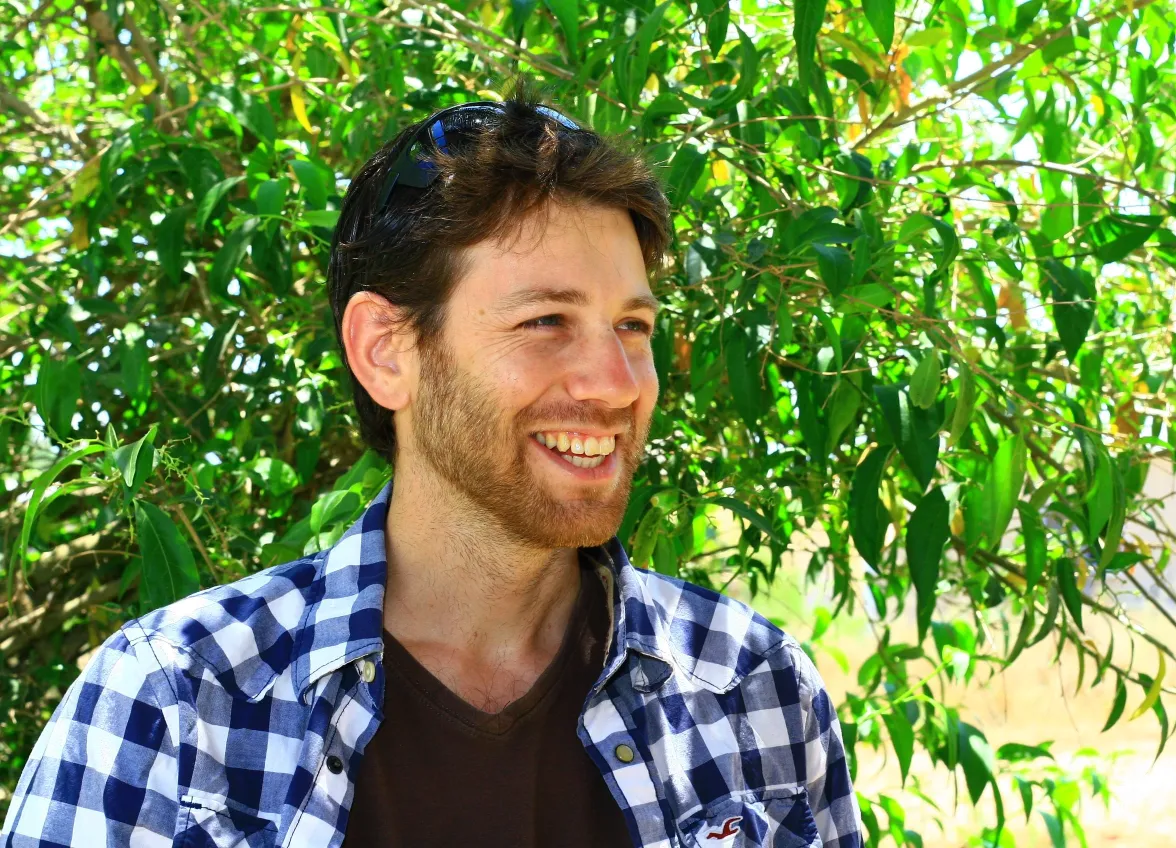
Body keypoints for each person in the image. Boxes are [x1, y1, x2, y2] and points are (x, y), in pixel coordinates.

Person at [1, 75, 863, 848]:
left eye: (631, 326)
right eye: (545, 322)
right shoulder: (176, 709)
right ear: (386, 351)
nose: (616, 384)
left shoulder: (756, 693)